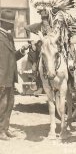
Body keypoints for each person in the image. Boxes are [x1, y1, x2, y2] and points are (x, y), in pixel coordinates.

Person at [26, 0, 76, 88]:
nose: (40, 13)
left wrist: (74, 36)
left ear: (49, 8)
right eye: (39, 12)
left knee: (72, 60)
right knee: (35, 50)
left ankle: (75, 81)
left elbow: (57, 31)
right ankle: (37, 77)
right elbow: (43, 30)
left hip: (64, 41)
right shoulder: (46, 18)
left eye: (42, 11)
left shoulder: (61, 15)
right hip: (50, 42)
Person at [0, 9, 29, 140]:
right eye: (11, 23)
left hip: (10, 78)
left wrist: (22, 51)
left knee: (10, 104)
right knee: (2, 104)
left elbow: (12, 57)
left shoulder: (9, 37)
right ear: (5, 23)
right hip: (1, 78)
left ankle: (5, 129)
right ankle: (0, 131)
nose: (13, 26)